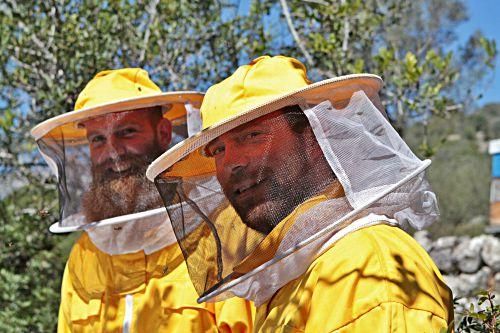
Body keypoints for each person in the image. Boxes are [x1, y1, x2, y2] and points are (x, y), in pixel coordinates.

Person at [148, 56, 454, 332]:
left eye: (252, 136)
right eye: (218, 150)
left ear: (315, 137)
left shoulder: (366, 266)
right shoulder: (292, 278)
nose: (231, 163)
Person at [31, 68, 253, 332]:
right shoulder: (84, 256)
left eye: (126, 132)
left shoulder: (223, 238)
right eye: (98, 139)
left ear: (163, 133)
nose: (112, 153)